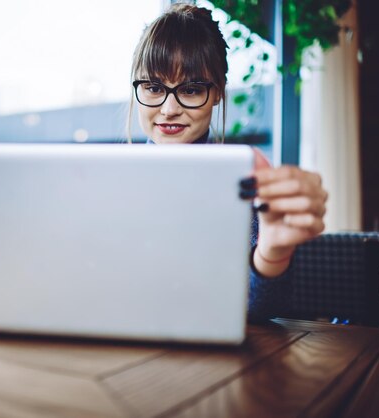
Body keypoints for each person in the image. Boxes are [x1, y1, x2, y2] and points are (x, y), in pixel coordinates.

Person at [129, 2, 328, 321]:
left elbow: (261, 310)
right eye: (153, 87)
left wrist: (271, 253)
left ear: (218, 92)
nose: (168, 109)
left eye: (191, 90)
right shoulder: (111, 184)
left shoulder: (246, 183)